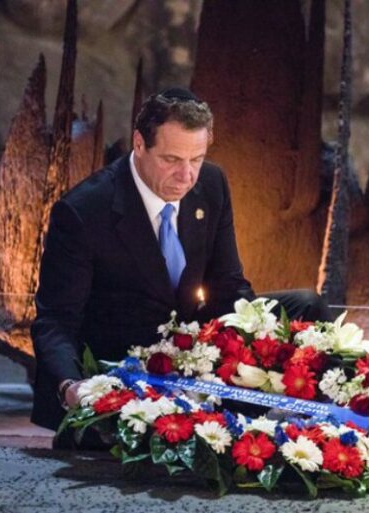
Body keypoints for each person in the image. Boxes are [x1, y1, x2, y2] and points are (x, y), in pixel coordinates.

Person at [31, 88, 331, 446]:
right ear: (139, 144)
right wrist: (71, 387)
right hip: (125, 367)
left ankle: (320, 433)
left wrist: (264, 346)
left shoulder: (211, 184)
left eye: (196, 159)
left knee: (306, 307)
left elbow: (229, 288)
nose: (186, 175)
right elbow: (55, 321)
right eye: (171, 159)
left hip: (194, 350)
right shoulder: (84, 211)